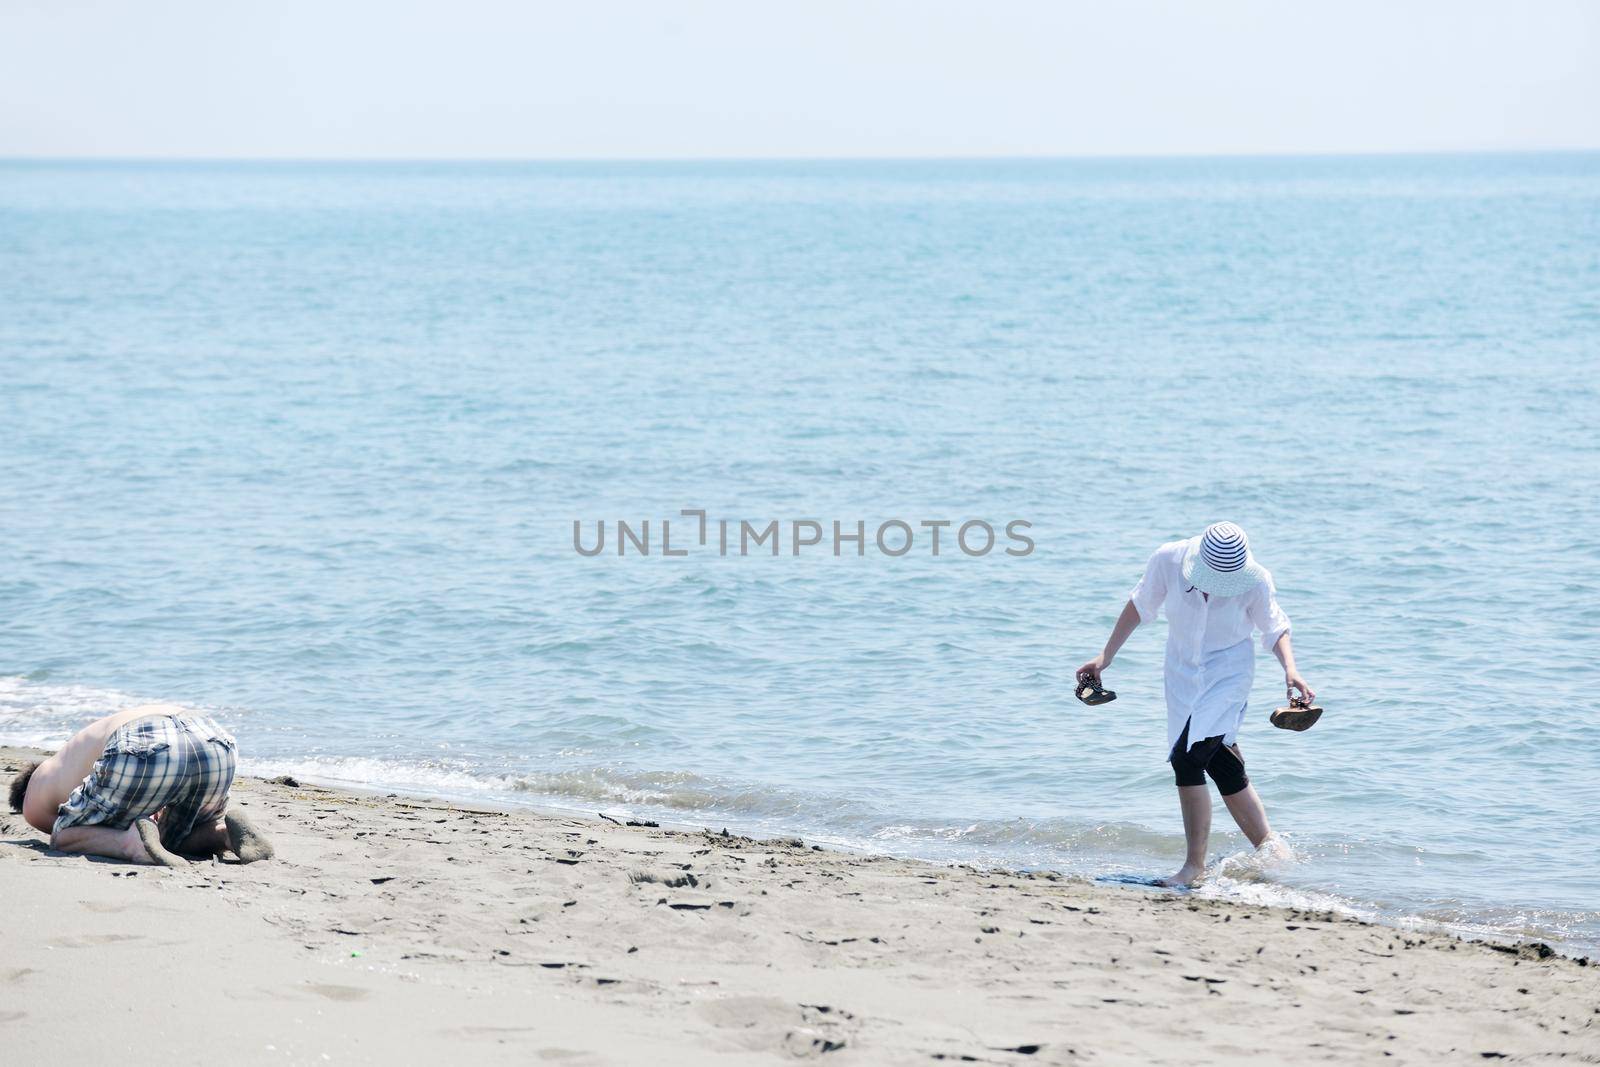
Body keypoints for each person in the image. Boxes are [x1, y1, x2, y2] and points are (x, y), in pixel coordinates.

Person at [1078, 522, 1314, 887]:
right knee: (1220, 762)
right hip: (1182, 674)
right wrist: (1105, 656)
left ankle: (1193, 868)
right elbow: (1140, 606)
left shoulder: (1256, 580)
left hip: (1228, 674)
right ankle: (1271, 849)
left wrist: (1291, 671)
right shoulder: (1168, 559)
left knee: (1187, 758)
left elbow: (1274, 628)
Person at [7, 703, 273, 867]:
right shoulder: (71, 753)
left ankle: (132, 846)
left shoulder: (37, 786)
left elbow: (68, 833)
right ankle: (223, 833)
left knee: (65, 837)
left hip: (143, 742)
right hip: (211, 738)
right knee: (173, 836)